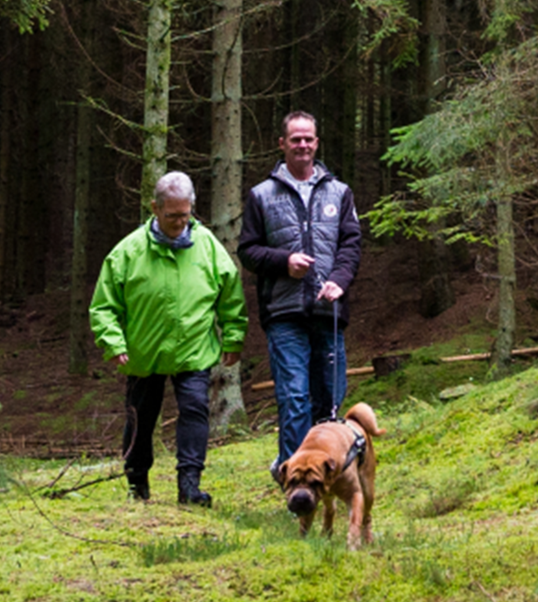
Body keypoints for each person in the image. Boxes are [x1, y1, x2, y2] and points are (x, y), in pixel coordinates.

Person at [89, 171, 246, 506]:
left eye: (185, 215)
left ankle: (189, 486)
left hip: (194, 349)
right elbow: (103, 306)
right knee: (140, 418)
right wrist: (113, 343)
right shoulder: (128, 251)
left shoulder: (208, 247)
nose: (179, 222)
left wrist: (233, 339)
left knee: (194, 410)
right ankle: (137, 485)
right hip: (143, 353)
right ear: (155, 208)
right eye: (172, 215)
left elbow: (231, 296)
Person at [239, 111, 362, 476]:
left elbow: (351, 244)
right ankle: (294, 481)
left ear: (317, 143)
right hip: (284, 313)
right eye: (296, 139)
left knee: (330, 401)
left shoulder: (339, 192)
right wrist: (284, 262)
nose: (303, 145)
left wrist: (339, 279)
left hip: (329, 311)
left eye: (308, 139)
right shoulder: (261, 195)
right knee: (294, 398)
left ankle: (327, 477)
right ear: (283, 144)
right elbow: (248, 250)